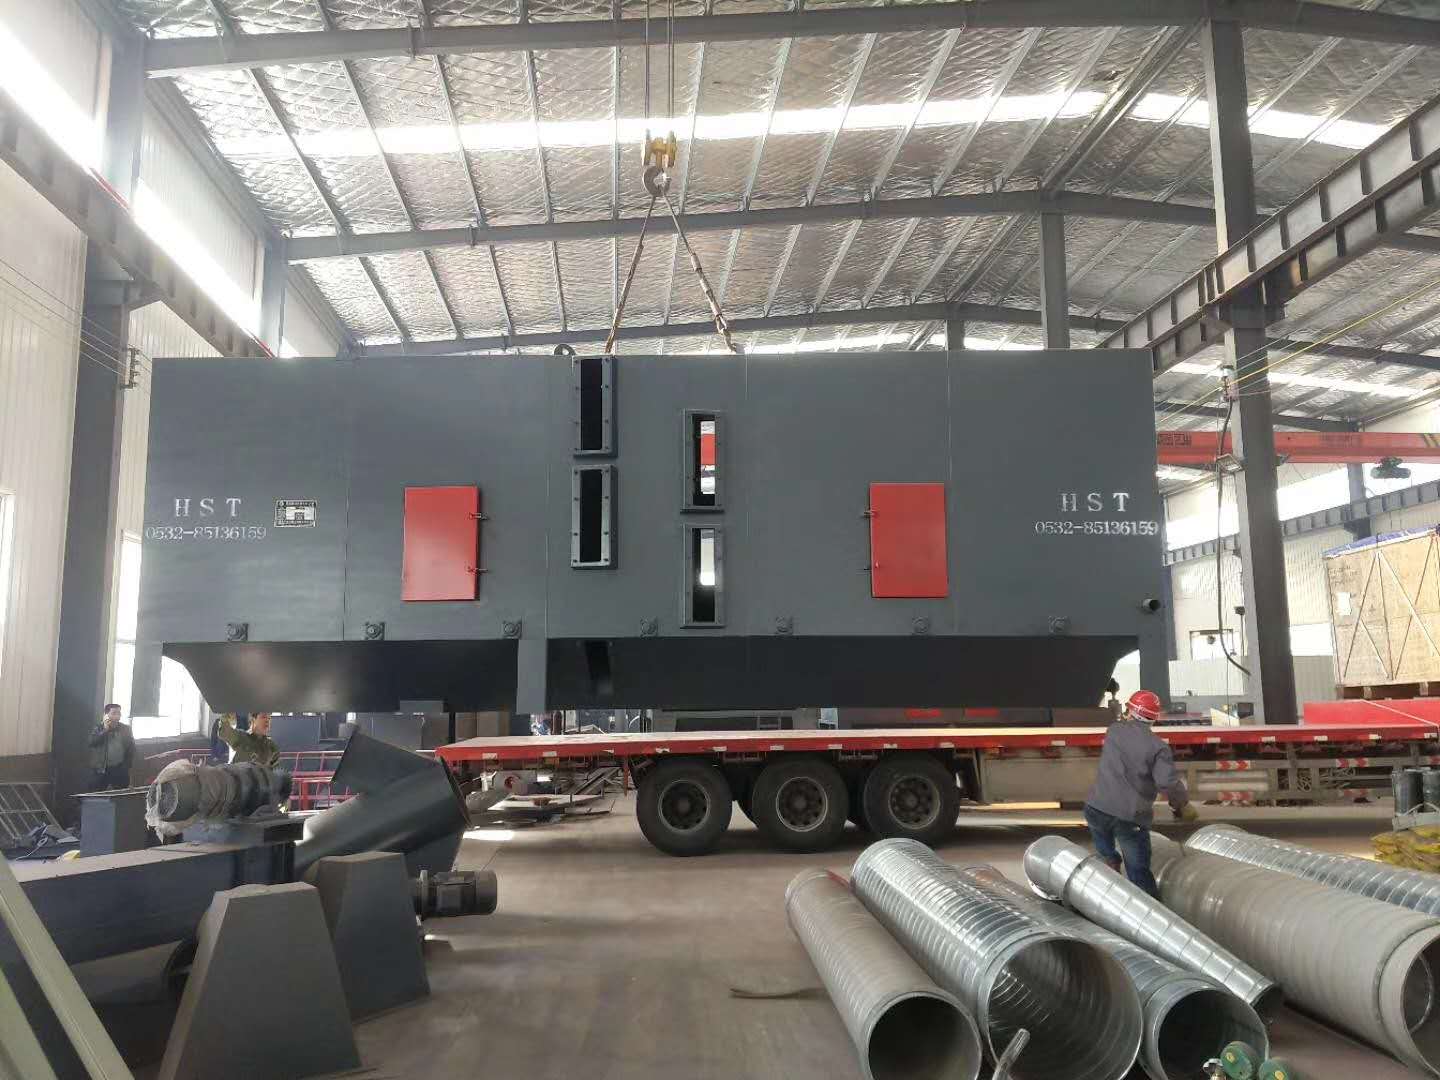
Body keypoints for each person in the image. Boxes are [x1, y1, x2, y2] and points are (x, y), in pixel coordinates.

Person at [1083, 689, 1197, 896]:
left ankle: (1109, 860)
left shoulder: (1114, 731)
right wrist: (1182, 805)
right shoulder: (1158, 747)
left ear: (1131, 711)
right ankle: (1148, 908)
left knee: (1102, 839)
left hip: (1096, 808)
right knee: (1138, 872)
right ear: (1154, 718)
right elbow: (1167, 782)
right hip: (1129, 816)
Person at [88, 704, 135, 790]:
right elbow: (92, 742)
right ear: (106, 715)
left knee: (121, 793)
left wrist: (127, 766)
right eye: (114, 713)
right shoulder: (98, 728)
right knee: (97, 792)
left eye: (119, 713)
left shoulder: (126, 729)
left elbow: (131, 748)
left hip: (119, 768)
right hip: (102, 769)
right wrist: (105, 730)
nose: (117, 716)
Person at [216, 712, 281, 768]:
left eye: (269, 718)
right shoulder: (241, 737)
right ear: (253, 720)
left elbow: (274, 771)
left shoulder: (272, 747)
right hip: (239, 776)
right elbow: (225, 732)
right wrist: (226, 717)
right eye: (263, 717)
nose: (267, 721)